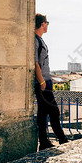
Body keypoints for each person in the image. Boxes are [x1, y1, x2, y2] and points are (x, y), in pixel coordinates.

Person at [34, 13, 68, 151]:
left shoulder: (40, 40)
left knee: (43, 112)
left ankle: (43, 142)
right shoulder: (35, 40)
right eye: (47, 23)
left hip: (46, 81)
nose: (47, 25)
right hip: (43, 82)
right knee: (54, 110)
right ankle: (63, 139)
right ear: (43, 24)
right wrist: (42, 81)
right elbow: (35, 63)